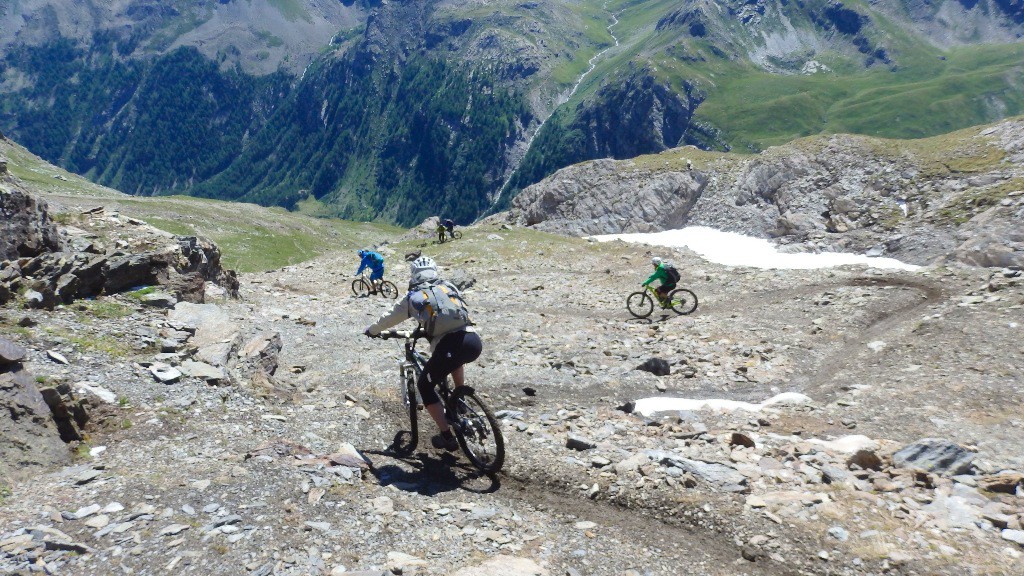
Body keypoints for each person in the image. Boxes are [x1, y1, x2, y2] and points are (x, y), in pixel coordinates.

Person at [364, 256, 481, 451]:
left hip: (448, 346)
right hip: (472, 340)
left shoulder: (413, 297)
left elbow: (390, 318)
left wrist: (373, 330)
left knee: (424, 386)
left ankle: (446, 436)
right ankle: (459, 397)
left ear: (414, 275)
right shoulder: (449, 286)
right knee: (454, 360)